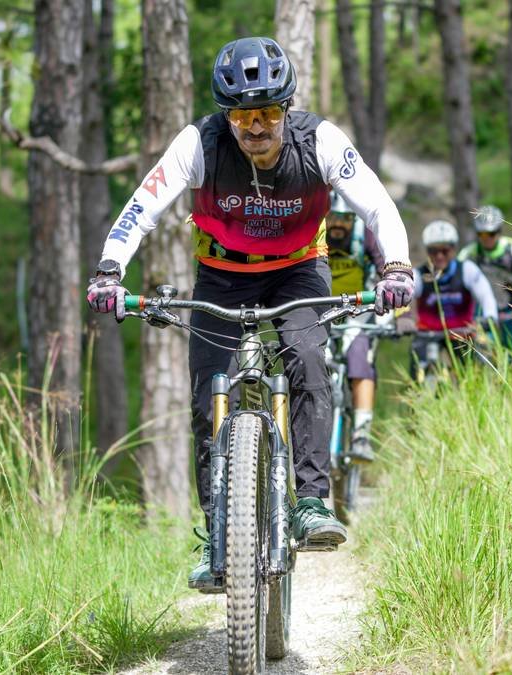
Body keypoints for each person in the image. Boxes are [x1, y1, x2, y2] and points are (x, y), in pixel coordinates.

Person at [85, 37, 413, 592]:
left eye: (266, 113)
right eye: (242, 115)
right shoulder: (199, 144)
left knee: (309, 360)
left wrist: (398, 267)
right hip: (222, 273)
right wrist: (110, 270)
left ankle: (310, 502)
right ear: (226, 116)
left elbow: (377, 205)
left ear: (286, 108)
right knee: (205, 393)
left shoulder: (322, 141)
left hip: (298, 269)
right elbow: (142, 207)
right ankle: (219, 535)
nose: (255, 128)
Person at [324, 192, 388, 463]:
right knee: (308, 362)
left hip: (357, 313)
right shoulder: (314, 233)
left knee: (359, 359)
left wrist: (393, 312)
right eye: (333, 219)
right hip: (320, 309)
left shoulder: (365, 236)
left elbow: (386, 268)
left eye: (345, 220)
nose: (338, 225)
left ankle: (361, 435)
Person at [410, 219, 498, 376]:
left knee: (472, 375)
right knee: (417, 375)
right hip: (427, 335)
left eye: (445, 250)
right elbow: (402, 297)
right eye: (433, 251)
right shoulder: (418, 275)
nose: (439, 256)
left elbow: (486, 296)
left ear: (454, 249)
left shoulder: (467, 270)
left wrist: (490, 316)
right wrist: (401, 318)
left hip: (462, 333)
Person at [458, 206, 512, 363]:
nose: (486, 238)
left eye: (491, 233)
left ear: (499, 231)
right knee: (484, 355)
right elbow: (457, 279)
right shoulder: (470, 253)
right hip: (483, 313)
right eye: (481, 234)